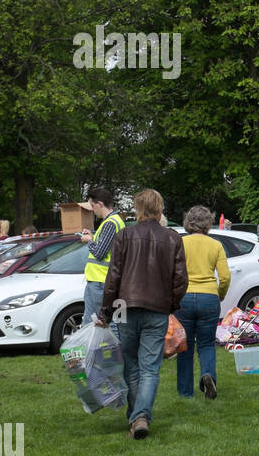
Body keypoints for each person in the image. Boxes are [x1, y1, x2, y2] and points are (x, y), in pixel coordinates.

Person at [98, 189, 187, 440]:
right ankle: (140, 416)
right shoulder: (172, 238)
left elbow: (113, 277)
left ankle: (138, 416)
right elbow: (180, 280)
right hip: (157, 308)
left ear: (138, 209)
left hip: (125, 308)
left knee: (131, 365)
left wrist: (105, 311)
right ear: (159, 209)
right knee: (150, 368)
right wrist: (172, 305)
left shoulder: (125, 235)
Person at [176, 205, 230, 400]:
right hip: (209, 297)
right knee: (206, 343)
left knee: (185, 346)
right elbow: (224, 277)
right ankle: (208, 375)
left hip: (184, 297)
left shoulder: (180, 243)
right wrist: (220, 294)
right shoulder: (215, 245)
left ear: (187, 221)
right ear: (208, 223)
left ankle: (185, 391)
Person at [80, 187, 126, 327]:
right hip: (99, 281)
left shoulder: (110, 223)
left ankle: (114, 349)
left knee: (108, 322)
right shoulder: (113, 221)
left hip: (101, 281)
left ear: (100, 204)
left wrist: (89, 240)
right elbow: (108, 248)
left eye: (93, 206)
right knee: (91, 322)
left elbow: (100, 253)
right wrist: (93, 237)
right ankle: (93, 348)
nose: (92, 210)